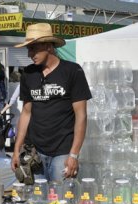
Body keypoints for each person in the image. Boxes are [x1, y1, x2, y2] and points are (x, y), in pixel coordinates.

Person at [11, 23, 92, 182]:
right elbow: (26, 113)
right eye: (28, 49)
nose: (29, 54)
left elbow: (81, 115)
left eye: (33, 48)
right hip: (34, 153)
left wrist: (74, 154)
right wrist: (16, 149)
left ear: (48, 46)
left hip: (63, 152)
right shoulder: (28, 73)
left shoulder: (72, 71)